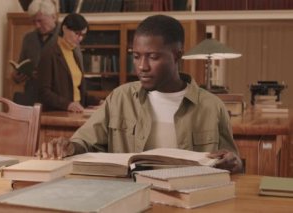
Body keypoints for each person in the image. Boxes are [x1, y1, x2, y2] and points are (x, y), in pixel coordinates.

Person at [41, 15, 243, 174]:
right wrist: (68, 147)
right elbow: (83, 142)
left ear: (177, 55)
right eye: (136, 56)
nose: (141, 67)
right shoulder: (120, 98)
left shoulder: (212, 106)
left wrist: (234, 162)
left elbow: (233, 162)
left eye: (153, 57)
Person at [37, 13, 100, 112]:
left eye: (83, 35)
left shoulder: (75, 53)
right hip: (57, 114)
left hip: (76, 112)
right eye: (77, 33)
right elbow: (43, 92)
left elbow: (78, 91)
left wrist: (98, 102)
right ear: (64, 29)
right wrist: (68, 105)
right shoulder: (49, 53)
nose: (80, 39)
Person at [11, 0, 59, 106]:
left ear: (53, 17)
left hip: (57, 99)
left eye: (40, 21)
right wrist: (16, 76)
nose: (36, 25)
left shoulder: (64, 37)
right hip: (32, 98)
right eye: (33, 22)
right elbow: (21, 64)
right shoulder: (28, 38)